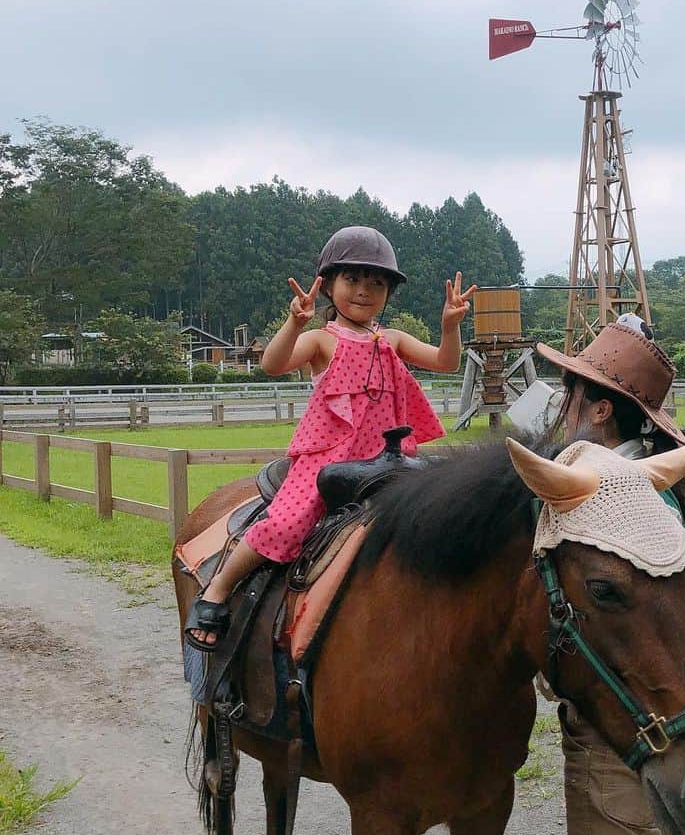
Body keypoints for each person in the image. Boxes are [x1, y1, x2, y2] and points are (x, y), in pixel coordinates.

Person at [536, 315, 685, 835]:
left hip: (623, 737)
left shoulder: (601, 491)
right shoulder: (658, 485)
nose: (563, 401)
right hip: (674, 730)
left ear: (601, 407)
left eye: (574, 389)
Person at [185, 225, 475, 650]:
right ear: (330, 286)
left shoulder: (392, 339)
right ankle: (219, 587)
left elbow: (446, 363)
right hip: (329, 460)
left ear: (389, 293)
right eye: (352, 280)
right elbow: (273, 364)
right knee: (286, 524)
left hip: (388, 458)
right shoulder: (321, 340)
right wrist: (293, 322)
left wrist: (450, 326)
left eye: (376, 283)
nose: (363, 291)